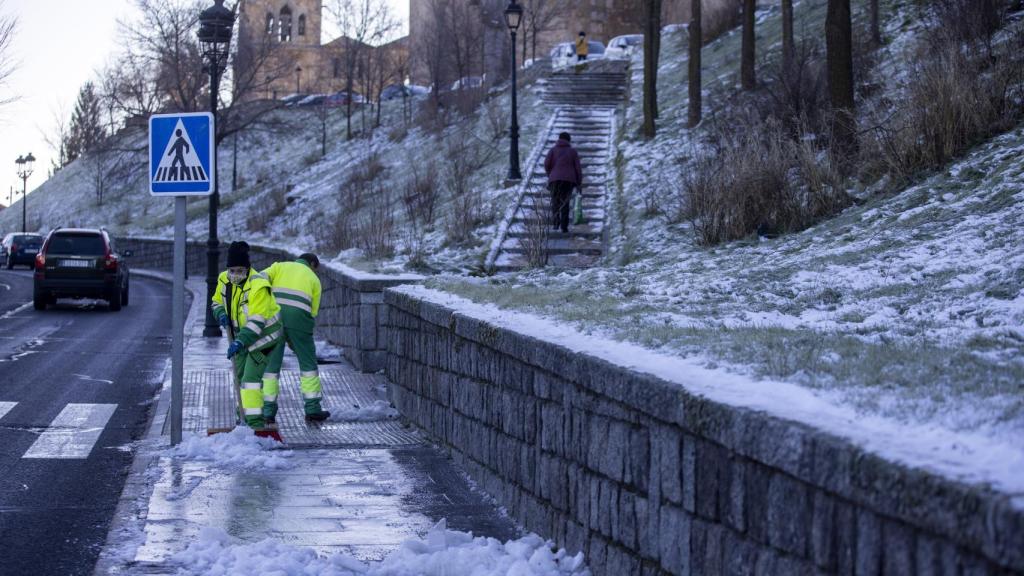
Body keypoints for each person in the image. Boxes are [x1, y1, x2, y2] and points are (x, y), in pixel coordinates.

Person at [211, 241, 282, 429]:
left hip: (265, 339)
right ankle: (242, 418)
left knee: (250, 380)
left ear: (247, 268)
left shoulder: (259, 286)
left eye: (240, 270)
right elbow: (216, 302)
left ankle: (255, 425)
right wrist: (220, 314)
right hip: (241, 337)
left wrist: (239, 342)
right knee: (239, 377)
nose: (235, 275)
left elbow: (257, 322)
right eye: (232, 270)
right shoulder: (223, 280)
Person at [261, 253, 331, 423]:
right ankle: (312, 408)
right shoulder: (314, 279)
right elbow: (312, 312)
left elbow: (259, 278)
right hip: (299, 322)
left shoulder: (279, 266)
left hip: (273, 318)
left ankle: (267, 412)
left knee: (270, 367)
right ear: (312, 264)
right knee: (308, 366)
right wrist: (297, 341)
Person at [544, 132, 583, 234]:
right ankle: (564, 227)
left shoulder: (552, 150)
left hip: (555, 180)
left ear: (559, 139)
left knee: (555, 202)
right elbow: (578, 168)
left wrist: (550, 175)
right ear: (568, 140)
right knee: (565, 203)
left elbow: (546, 164)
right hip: (568, 181)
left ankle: (556, 223)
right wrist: (579, 183)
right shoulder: (572, 151)